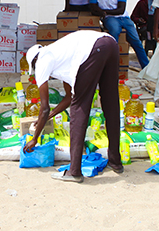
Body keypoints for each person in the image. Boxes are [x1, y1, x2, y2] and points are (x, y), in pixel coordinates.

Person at [23, 31, 123, 183]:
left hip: (93, 49)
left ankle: (74, 171)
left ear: (33, 63)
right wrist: (50, 116)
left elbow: (44, 108)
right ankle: (115, 162)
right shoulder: (60, 54)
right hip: (110, 43)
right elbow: (69, 97)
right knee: (111, 104)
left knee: (79, 108)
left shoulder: (42, 60)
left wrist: (34, 139)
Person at [89, 0, 149, 68]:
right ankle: (113, 65)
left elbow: (121, 10)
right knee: (114, 33)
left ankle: (146, 68)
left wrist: (104, 11)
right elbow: (92, 8)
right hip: (109, 19)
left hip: (124, 17)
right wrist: (104, 13)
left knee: (136, 41)